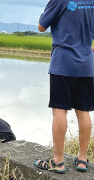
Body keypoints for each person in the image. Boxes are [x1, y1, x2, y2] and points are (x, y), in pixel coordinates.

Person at [35, 0, 94, 174]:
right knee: (83, 110)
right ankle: (82, 160)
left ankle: (58, 161)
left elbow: (41, 26)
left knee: (59, 110)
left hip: (63, 63)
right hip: (87, 64)